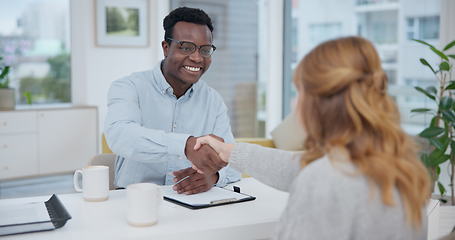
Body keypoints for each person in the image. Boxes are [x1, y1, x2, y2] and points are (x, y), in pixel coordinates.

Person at [192, 37, 430, 239]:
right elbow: (298, 167)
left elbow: (315, 175)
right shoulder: (401, 167)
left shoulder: (326, 180)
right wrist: (229, 151)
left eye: (299, 92)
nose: (295, 103)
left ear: (320, 103)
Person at [104, 7, 240, 193]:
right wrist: (185, 145)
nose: (197, 57)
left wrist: (214, 177)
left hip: (191, 203)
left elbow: (232, 162)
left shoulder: (213, 101)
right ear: (166, 48)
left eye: (205, 50)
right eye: (186, 47)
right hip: (134, 200)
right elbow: (121, 136)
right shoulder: (128, 87)